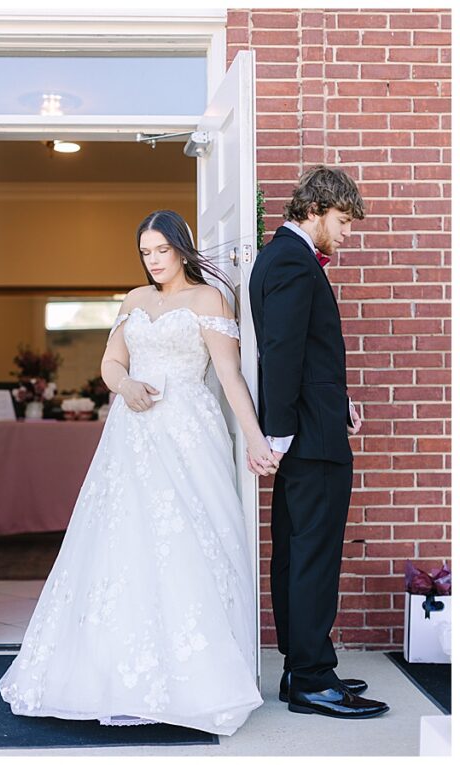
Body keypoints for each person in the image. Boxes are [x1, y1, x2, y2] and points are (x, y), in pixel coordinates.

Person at [0, 209, 272, 736]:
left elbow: (230, 375)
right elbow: (110, 362)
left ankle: (194, 677)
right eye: (146, 253)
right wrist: (123, 385)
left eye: (162, 251)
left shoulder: (209, 300)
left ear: (182, 249)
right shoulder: (134, 299)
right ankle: (113, 672)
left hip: (188, 431)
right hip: (133, 432)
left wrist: (255, 438)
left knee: (187, 541)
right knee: (123, 539)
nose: (154, 261)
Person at [248, 166, 388, 719]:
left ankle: (300, 669)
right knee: (314, 557)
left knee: (297, 551)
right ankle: (311, 679)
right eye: (343, 221)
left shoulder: (283, 258)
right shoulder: (291, 260)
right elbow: (281, 353)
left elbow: (307, 354)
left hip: (311, 426)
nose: (348, 234)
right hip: (309, 439)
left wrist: (337, 402)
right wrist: (280, 432)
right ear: (314, 210)